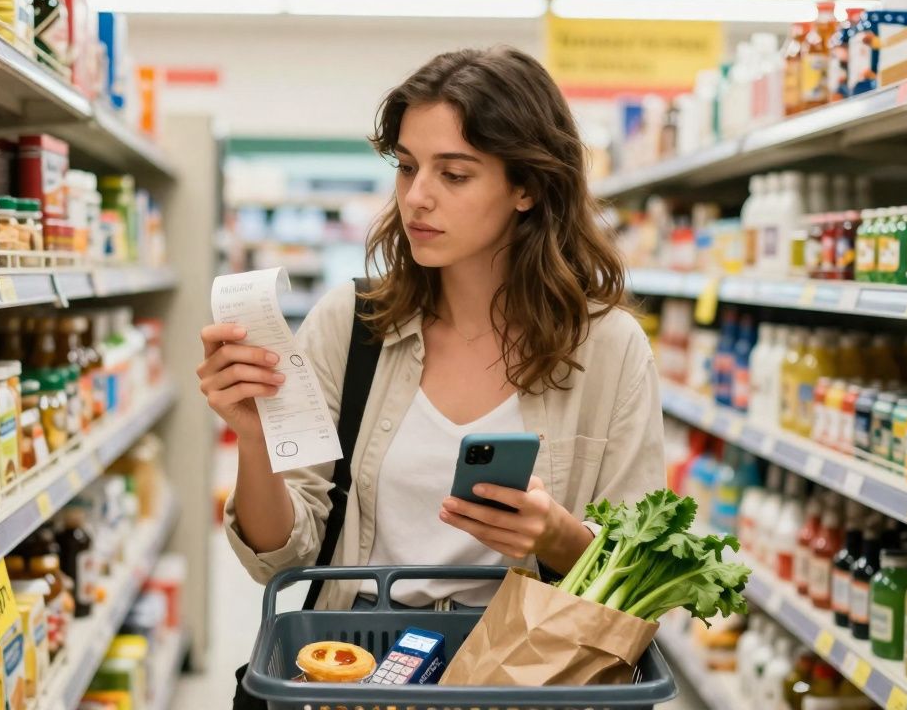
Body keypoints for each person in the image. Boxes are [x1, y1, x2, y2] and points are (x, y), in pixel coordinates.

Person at [198, 46, 664, 614]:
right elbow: (278, 559)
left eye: (454, 174)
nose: (417, 197)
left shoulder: (609, 348)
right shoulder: (351, 324)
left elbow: (646, 578)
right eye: (407, 167)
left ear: (528, 188)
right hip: (358, 652)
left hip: (524, 656)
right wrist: (254, 438)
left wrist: (559, 539)